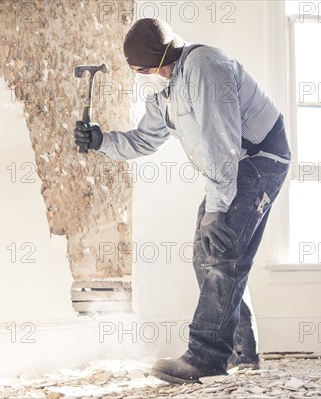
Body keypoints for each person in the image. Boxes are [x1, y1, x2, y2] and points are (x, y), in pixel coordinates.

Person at [74, 18, 291, 384]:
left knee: (222, 254)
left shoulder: (206, 68)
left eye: (141, 69)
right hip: (232, 166)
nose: (141, 76)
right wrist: (101, 141)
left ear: (159, 58)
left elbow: (221, 144)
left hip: (259, 159)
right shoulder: (166, 91)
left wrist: (218, 209)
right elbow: (145, 140)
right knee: (206, 257)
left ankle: (206, 358)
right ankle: (243, 353)